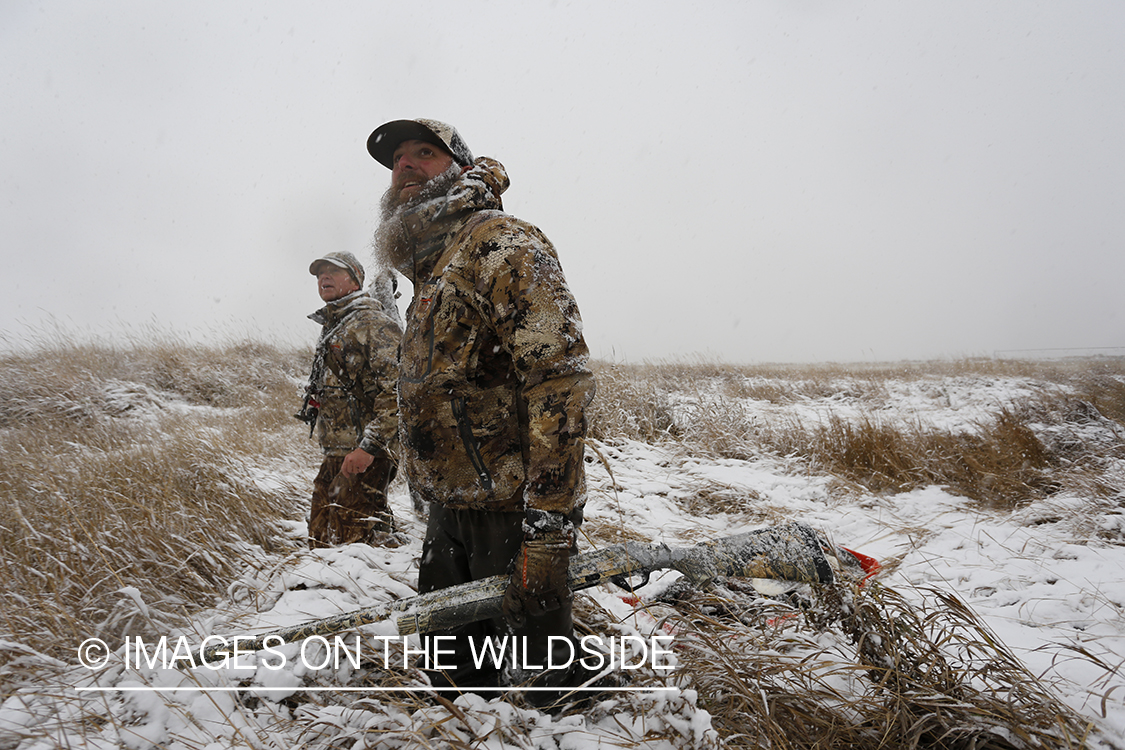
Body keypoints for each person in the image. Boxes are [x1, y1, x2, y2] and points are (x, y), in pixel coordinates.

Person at [368, 118, 596, 700]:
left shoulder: (500, 244)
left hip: (510, 511)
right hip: (449, 509)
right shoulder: (429, 269)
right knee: (454, 671)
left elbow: (558, 383)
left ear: (462, 168)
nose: (406, 166)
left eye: (425, 152)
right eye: (397, 159)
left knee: (548, 683)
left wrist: (546, 527)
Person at [297, 251, 403, 548]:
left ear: (355, 280)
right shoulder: (334, 324)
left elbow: (397, 390)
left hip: (364, 452)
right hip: (339, 450)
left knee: (358, 541)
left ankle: (378, 589)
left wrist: (369, 447)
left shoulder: (373, 322)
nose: (324, 278)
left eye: (333, 271)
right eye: (320, 274)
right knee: (320, 533)